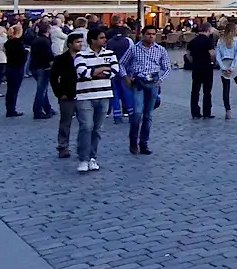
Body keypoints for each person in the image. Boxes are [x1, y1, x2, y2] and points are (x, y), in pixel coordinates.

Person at [119, 25, 170, 155]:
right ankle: (133, 140)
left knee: (148, 115)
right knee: (137, 113)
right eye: (148, 34)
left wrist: (161, 80)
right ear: (143, 34)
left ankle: (144, 143)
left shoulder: (160, 50)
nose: (151, 36)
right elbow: (121, 63)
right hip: (138, 82)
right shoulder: (134, 49)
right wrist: (125, 77)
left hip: (153, 82)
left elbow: (167, 67)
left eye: (153, 34)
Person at [73, 29, 118, 173]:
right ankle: (83, 158)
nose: (105, 40)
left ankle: (92, 157)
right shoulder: (81, 55)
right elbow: (83, 73)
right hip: (85, 96)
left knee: (97, 128)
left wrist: (96, 71)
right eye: (101, 37)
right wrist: (100, 70)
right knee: (87, 126)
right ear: (92, 40)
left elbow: (114, 71)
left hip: (104, 94)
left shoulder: (110, 54)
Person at [51, 32, 85, 159]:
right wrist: (59, 93)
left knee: (85, 123)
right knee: (66, 122)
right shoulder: (61, 59)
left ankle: (83, 146)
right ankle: (63, 146)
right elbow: (53, 77)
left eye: (81, 42)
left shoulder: (85, 57)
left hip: (83, 93)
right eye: (77, 42)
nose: (80, 44)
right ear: (70, 44)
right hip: (67, 94)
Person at [187, 22, 216, 119]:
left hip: (196, 67)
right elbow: (212, 54)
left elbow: (188, 54)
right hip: (207, 67)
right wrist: (213, 62)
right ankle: (206, 112)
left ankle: (195, 112)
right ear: (208, 29)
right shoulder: (208, 41)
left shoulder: (193, 41)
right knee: (207, 91)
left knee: (195, 90)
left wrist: (193, 62)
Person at [27, 22, 57, 119]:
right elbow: (48, 55)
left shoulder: (36, 39)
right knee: (42, 90)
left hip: (35, 66)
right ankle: (37, 111)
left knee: (43, 89)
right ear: (47, 30)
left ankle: (47, 108)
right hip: (43, 67)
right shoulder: (45, 41)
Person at [3, 23, 28, 117]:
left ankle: (9, 108)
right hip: (17, 68)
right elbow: (22, 57)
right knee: (14, 90)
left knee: (10, 89)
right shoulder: (18, 44)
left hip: (9, 66)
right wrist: (26, 52)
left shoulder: (7, 43)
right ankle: (11, 109)